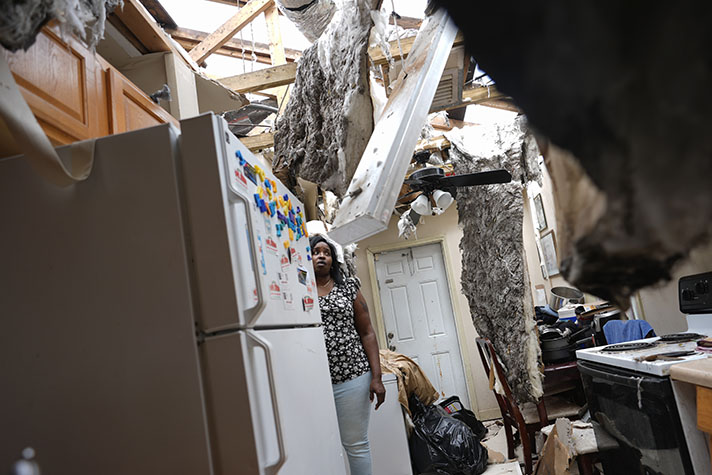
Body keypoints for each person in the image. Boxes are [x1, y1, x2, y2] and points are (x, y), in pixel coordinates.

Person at [310, 234, 385, 475]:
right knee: (317, 446)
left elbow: (367, 333)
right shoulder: (298, 290)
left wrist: (377, 377)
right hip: (312, 382)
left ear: (333, 260)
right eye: (315, 251)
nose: (321, 255)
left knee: (356, 444)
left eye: (327, 252)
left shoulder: (349, 286)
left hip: (352, 376)